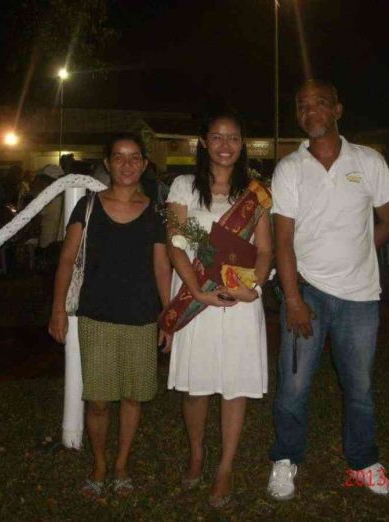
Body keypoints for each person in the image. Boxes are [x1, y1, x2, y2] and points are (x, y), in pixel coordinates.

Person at [267, 79, 389, 499]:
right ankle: (285, 459)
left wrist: (362, 247)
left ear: (338, 110)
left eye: (319, 104)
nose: (310, 112)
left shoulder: (369, 161)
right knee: (293, 386)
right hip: (305, 293)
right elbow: (283, 240)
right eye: (302, 106)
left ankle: (363, 460)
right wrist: (292, 299)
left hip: (360, 297)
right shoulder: (289, 168)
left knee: (359, 387)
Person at [48, 133, 172, 499]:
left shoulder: (156, 211)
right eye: (119, 156)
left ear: (145, 164)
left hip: (141, 316)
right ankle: (100, 464)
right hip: (96, 317)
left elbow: (161, 264)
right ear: (108, 162)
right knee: (99, 400)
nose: (127, 163)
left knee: (133, 397)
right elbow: (67, 260)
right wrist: (57, 309)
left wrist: (168, 314)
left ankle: (121, 466)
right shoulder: (87, 207)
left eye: (135, 157)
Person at [165, 111, 273, 508]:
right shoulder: (183, 186)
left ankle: (225, 467)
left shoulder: (257, 192)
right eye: (217, 137)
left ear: (242, 144)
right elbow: (175, 242)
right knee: (196, 387)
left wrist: (254, 286)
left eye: (233, 138)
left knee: (234, 384)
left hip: (241, 302)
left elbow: (265, 249)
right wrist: (196, 290)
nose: (225, 145)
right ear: (204, 142)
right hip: (196, 296)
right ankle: (196, 454)